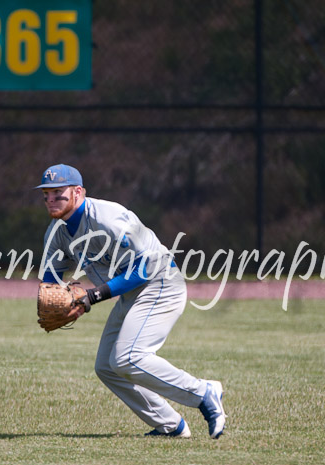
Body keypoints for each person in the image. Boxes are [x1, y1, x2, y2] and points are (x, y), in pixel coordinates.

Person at [36, 163, 227, 439]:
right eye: (46, 195)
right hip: (130, 292)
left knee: (127, 357)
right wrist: (57, 301)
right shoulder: (56, 233)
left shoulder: (108, 219)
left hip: (161, 282)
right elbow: (50, 280)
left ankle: (204, 393)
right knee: (106, 366)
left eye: (58, 193)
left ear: (78, 192)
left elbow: (145, 269)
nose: (51, 200)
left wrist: (91, 297)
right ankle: (171, 425)